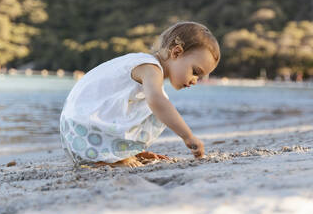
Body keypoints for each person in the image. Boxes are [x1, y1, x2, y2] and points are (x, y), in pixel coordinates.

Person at [59, 21, 220, 168]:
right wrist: (188, 136)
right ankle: (108, 157)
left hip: (77, 130)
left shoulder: (145, 64)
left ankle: (122, 151)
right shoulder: (150, 68)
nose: (194, 80)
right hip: (83, 128)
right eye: (195, 72)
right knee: (159, 103)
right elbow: (157, 101)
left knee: (158, 103)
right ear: (176, 53)